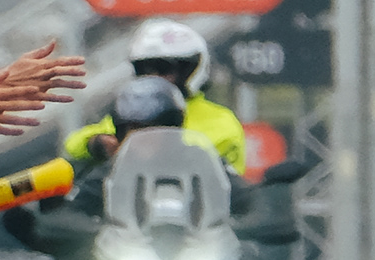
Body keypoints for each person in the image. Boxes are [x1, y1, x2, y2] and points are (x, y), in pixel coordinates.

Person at [63, 20, 251, 173]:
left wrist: (142, 148)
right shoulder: (135, 112)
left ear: (190, 69)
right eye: (146, 69)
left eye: (164, 69)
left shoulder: (221, 120)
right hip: (132, 206)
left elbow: (219, 172)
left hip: (198, 212)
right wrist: (95, 144)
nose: (155, 77)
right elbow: (73, 144)